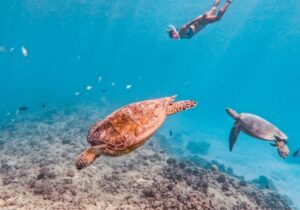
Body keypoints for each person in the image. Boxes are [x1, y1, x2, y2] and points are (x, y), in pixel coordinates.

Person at [167, 0, 232, 40]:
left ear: (174, 32)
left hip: (202, 21)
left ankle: (229, 1)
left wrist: (200, 17)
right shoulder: (181, 36)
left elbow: (189, 23)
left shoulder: (181, 31)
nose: (174, 38)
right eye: (172, 38)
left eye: (173, 36)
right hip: (202, 22)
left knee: (218, 18)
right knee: (214, 7)